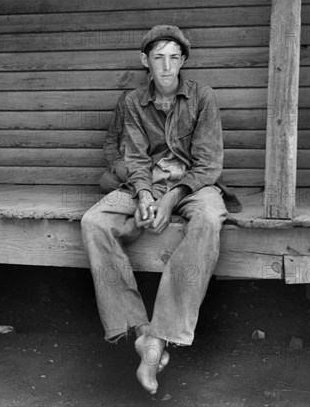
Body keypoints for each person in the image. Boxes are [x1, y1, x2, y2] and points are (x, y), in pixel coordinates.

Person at [82, 25, 228, 395]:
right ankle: (139, 331)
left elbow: (209, 163)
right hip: (141, 182)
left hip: (193, 184)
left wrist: (172, 196)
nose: (166, 66)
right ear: (145, 61)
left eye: (174, 58)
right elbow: (132, 156)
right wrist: (146, 196)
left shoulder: (202, 97)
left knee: (210, 218)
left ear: (183, 62)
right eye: (158, 58)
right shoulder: (133, 101)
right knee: (94, 220)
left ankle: (163, 334)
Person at [99, 92, 242, 212]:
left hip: (169, 167)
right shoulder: (128, 100)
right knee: (107, 180)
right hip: (139, 169)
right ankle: (160, 194)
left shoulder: (188, 101)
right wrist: (116, 163)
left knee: (183, 176)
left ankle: (164, 195)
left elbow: (206, 158)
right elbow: (111, 140)